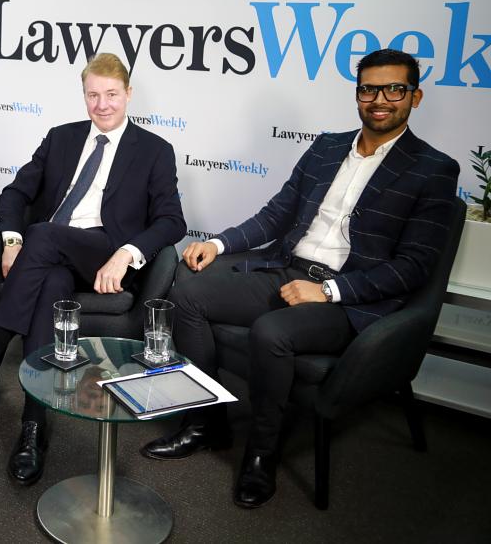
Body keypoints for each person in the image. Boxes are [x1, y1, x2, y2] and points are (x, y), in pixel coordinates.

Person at [141, 48, 460, 508]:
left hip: (349, 300)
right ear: (357, 94)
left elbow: (412, 267)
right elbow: (276, 215)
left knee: (272, 332)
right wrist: (220, 244)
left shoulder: (434, 169)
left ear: (415, 96)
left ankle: (260, 455)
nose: (380, 99)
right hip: (287, 269)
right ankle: (203, 424)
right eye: (369, 88)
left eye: (395, 89)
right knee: (188, 293)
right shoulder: (328, 147)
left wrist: (329, 291)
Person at [0, 53, 186, 485]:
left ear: (128, 95)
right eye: (92, 95)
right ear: (83, 95)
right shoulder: (61, 138)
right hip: (53, 257)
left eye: (111, 95)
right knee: (51, 283)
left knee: (43, 235)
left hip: (104, 253)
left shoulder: (155, 151)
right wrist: (12, 240)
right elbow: (15, 192)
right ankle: (33, 426)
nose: (102, 105)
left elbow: (172, 221)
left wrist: (126, 254)